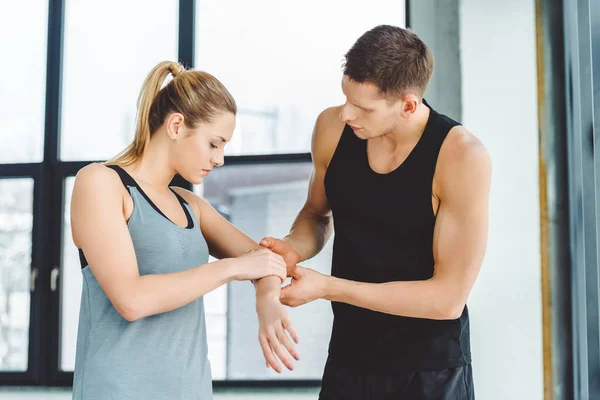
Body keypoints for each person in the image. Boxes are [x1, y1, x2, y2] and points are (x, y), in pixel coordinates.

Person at [260, 25, 491, 399]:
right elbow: (317, 216)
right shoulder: (332, 127)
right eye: (345, 98)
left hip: (428, 370)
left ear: (408, 104)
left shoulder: (462, 156)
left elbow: (447, 299)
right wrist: (294, 247)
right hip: (350, 359)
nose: (347, 114)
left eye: (363, 107)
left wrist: (329, 288)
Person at [70, 61, 300, 400]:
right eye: (213, 143)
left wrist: (266, 298)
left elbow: (264, 260)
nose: (220, 158)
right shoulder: (101, 183)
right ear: (176, 125)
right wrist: (232, 269)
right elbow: (131, 300)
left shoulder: (191, 205)